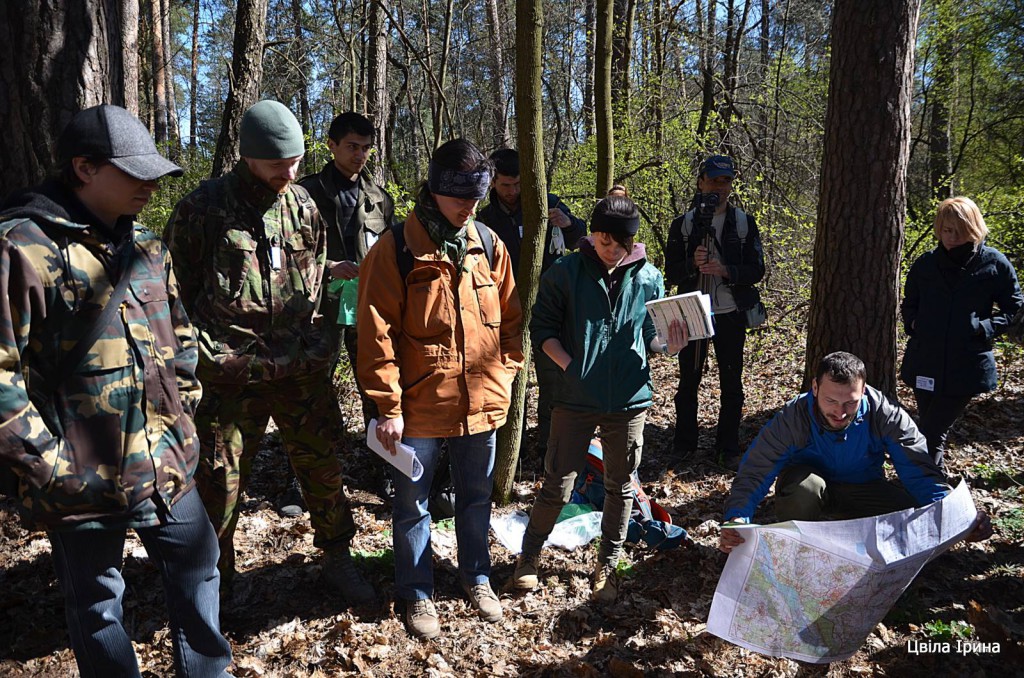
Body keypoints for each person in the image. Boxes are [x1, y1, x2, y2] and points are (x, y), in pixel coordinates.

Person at [0, 105, 232, 676]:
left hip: (169, 464)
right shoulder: (21, 249)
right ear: (83, 167)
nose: (151, 185)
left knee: (200, 569)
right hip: (82, 479)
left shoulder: (148, 246)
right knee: (99, 604)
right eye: (135, 173)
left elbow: (179, 337)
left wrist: (184, 418)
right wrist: (53, 467)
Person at [164, 100, 373, 606]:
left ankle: (337, 558)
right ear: (249, 156)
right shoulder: (203, 209)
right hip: (232, 376)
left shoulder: (303, 206)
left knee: (323, 468)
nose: (291, 172)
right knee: (220, 484)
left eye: (297, 161)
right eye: (279, 163)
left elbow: (322, 282)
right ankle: (217, 582)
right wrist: (206, 358)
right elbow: (172, 297)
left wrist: (322, 347)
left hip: (301, 370)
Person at [357, 139, 523, 639]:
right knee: (413, 504)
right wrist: (388, 408)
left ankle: (476, 577)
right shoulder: (395, 249)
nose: (469, 208)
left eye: (476, 198)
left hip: (482, 405)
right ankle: (417, 591)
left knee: (476, 497)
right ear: (434, 190)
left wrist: (506, 374)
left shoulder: (489, 244)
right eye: (460, 199)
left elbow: (512, 321)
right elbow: (375, 332)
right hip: (419, 408)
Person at [512, 195, 688, 604]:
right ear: (591, 234)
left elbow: (652, 338)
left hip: (628, 399)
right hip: (574, 398)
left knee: (620, 484)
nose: (610, 250)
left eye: (618, 243)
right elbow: (543, 329)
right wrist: (572, 367)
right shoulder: (565, 272)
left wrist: (671, 345)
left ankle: (607, 564)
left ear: (632, 242)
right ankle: (528, 558)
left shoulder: (648, 278)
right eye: (603, 240)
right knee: (557, 482)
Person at [718, 352, 992, 554]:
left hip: (862, 487)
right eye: (830, 401)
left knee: (912, 518)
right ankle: (801, 546)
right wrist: (737, 519)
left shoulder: (885, 414)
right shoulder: (794, 416)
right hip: (809, 487)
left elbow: (920, 472)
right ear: (814, 388)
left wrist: (957, 518)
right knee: (805, 491)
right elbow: (756, 470)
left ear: (864, 390)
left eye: (850, 402)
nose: (840, 412)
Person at [292, 111, 396, 511]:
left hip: (365, 305)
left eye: (366, 148)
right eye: (352, 146)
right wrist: (328, 267)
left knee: (375, 386)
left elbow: (386, 252)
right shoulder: (304, 193)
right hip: (317, 305)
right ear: (331, 145)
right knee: (310, 392)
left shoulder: (379, 198)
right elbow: (288, 254)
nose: (360, 155)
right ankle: (301, 479)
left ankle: (384, 469)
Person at [476, 148, 586, 458]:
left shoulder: (546, 203)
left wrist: (566, 222)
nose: (512, 192)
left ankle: (548, 445)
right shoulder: (485, 219)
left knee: (553, 379)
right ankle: (514, 447)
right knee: (509, 380)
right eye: (505, 186)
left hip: (551, 309)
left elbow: (582, 239)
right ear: (493, 183)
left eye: (518, 185)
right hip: (504, 311)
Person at [900, 197, 1023, 469]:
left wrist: (984, 328)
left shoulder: (994, 263)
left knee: (930, 431)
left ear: (973, 228)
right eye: (946, 230)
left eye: (959, 230)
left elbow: (1014, 307)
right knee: (931, 433)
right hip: (925, 361)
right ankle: (932, 488)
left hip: (966, 365)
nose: (952, 237)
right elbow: (909, 304)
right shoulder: (926, 264)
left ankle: (926, 491)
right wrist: (915, 324)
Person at [665, 155, 765, 468]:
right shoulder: (683, 225)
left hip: (729, 311)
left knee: (731, 381)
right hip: (691, 311)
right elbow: (671, 273)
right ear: (700, 182)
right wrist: (691, 264)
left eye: (725, 181)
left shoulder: (744, 223)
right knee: (688, 380)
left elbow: (756, 269)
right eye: (713, 180)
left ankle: (728, 446)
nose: (719, 187)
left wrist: (725, 270)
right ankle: (684, 444)